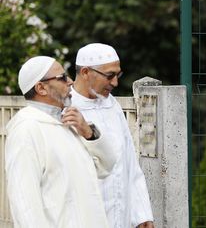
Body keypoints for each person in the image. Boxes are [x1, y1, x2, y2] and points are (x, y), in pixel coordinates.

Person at [5, 56, 118, 227]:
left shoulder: (67, 123)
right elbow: (24, 202)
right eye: (63, 78)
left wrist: (89, 133)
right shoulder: (27, 129)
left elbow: (106, 167)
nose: (71, 82)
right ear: (41, 88)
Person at [71, 43, 154, 228]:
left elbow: (129, 162)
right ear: (85, 72)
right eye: (109, 76)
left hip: (121, 218)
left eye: (118, 75)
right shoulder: (65, 109)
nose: (115, 83)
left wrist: (142, 213)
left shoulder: (112, 105)